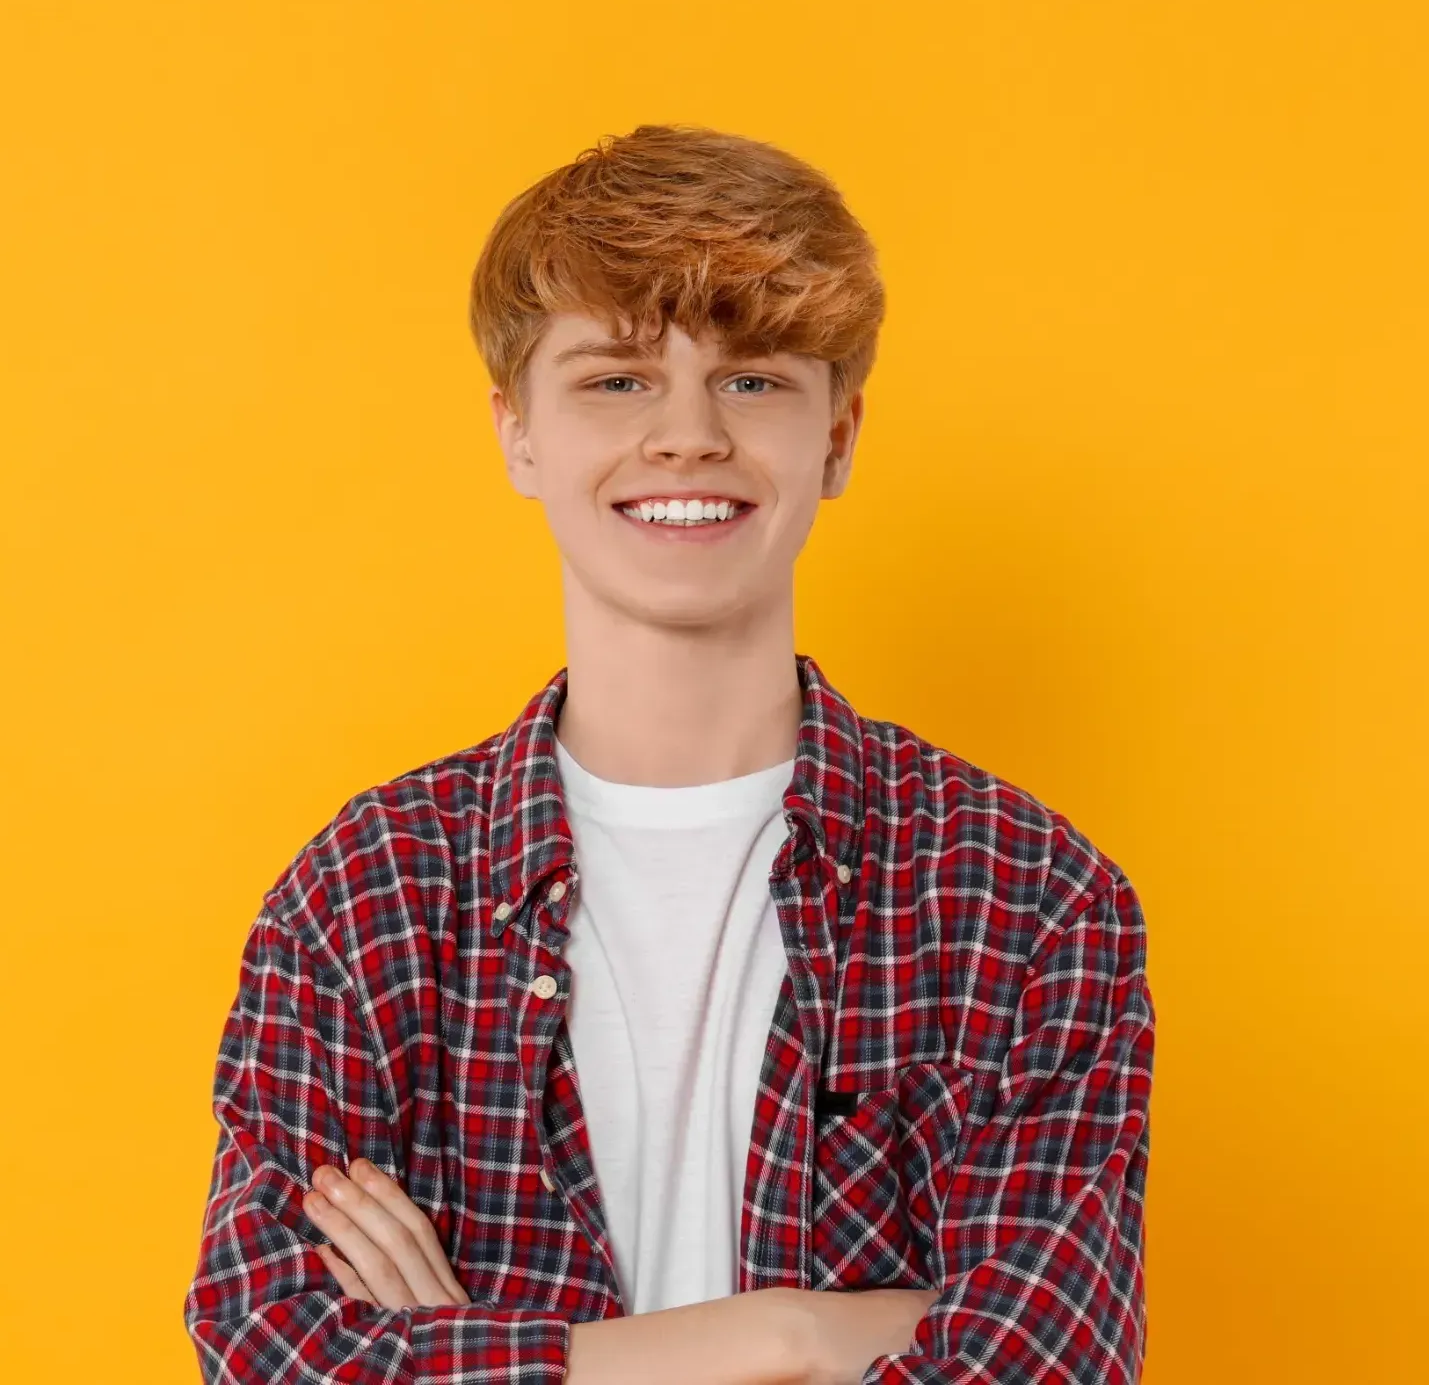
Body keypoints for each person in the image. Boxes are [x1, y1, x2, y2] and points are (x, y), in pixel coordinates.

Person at [184, 123, 1155, 1385]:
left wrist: (465, 1353)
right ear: (518, 434)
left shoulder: (1025, 894)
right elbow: (273, 1353)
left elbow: (1052, 1361)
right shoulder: (370, 894)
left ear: (840, 437)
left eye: (751, 379)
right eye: (616, 380)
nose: (688, 435)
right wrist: (794, 1333)